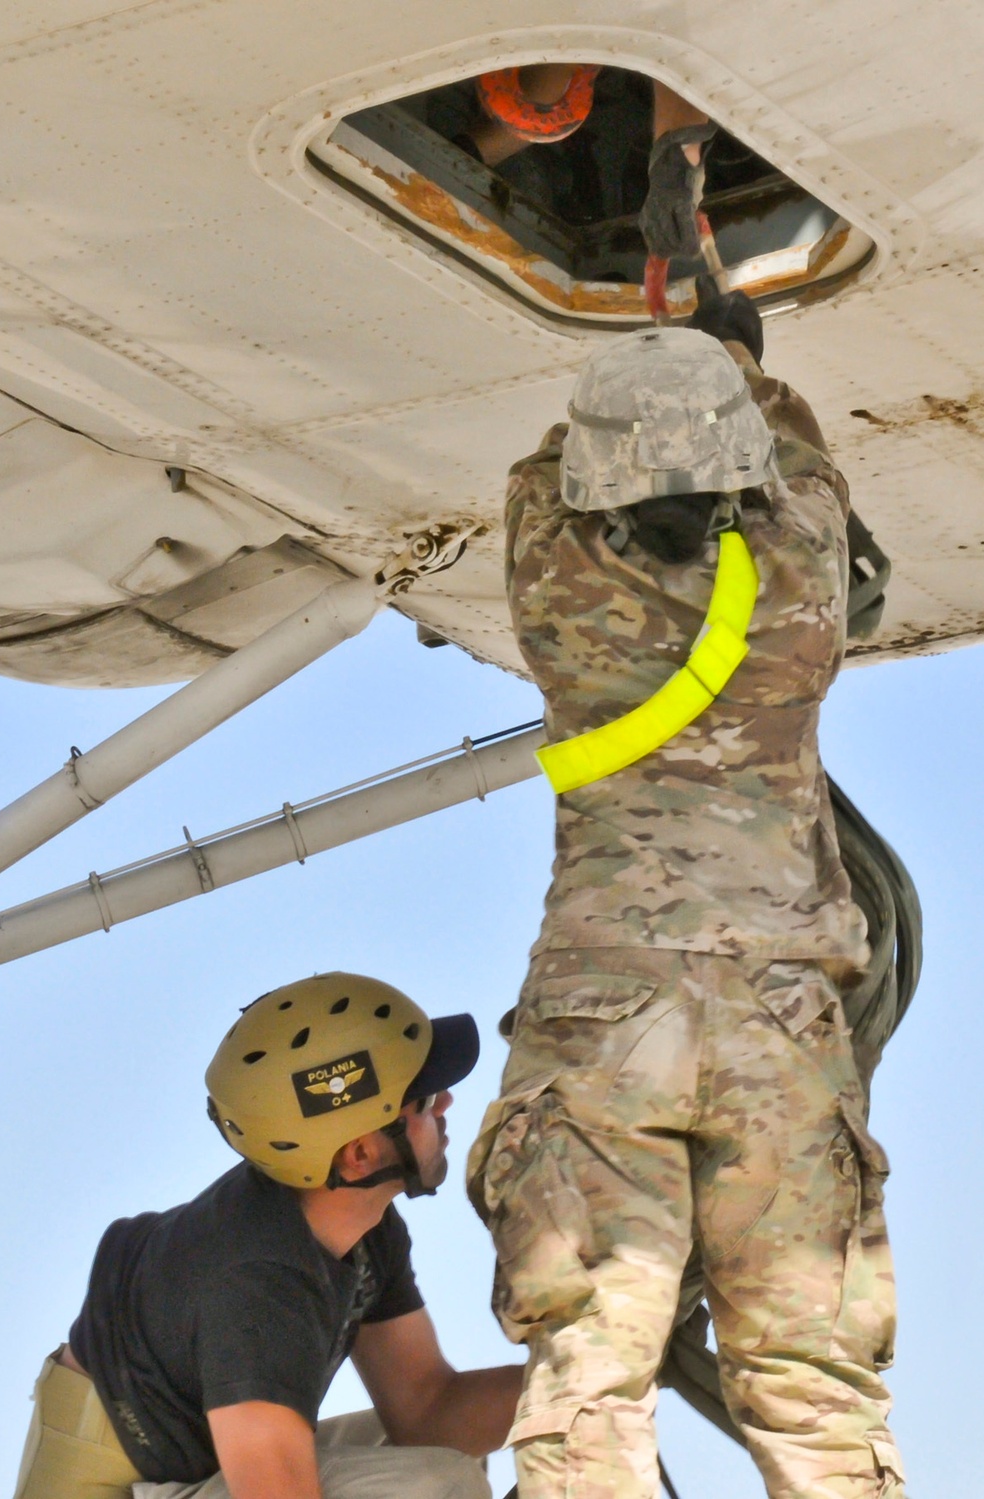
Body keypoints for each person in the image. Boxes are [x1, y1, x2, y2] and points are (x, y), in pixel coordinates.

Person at [468, 304, 907, 1498]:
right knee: (814, 1382)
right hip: (779, 1012)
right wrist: (738, 365)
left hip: (606, 1014)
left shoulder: (557, 586)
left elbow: (540, 478)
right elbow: (805, 474)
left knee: (589, 1381)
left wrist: (646, 366)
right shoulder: (796, 588)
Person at [14, 972, 522, 1499]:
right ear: (360, 1155)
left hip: (200, 1463)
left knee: (442, 1460)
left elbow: (428, 1411)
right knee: (436, 1487)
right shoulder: (256, 1285)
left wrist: (584, 1382)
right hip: (115, 1485)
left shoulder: (364, 1230)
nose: (446, 1106)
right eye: (425, 1100)